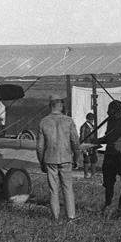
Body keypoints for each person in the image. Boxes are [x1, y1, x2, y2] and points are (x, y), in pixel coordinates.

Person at [36, 93, 82, 221]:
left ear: (50, 105)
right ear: (61, 105)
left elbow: (40, 147)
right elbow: (75, 141)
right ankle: (71, 217)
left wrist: (41, 162)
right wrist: (76, 158)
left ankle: (56, 218)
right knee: (68, 188)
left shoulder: (43, 122)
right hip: (66, 158)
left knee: (53, 190)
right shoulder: (69, 121)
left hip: (50, 159)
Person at [94, 100, 121, 215]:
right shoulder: (110, 121)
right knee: (108, 182)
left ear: (115, 110)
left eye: (109, 109)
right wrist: (97, 141)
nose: (107, 112)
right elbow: (108, 137)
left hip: (120, 156)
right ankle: (107, 205)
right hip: (109, 155)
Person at [79, 112, 98, 178]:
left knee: (94, 159)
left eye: (92, 119)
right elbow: (82, 137)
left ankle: (93, 174)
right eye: (91, 119)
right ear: (88, 119)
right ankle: (86, 174)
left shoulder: (93, 127)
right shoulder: (84, 126)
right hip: (86, 145)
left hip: (93, 145)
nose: (92, 121)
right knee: (86, 159)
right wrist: (83, 147)